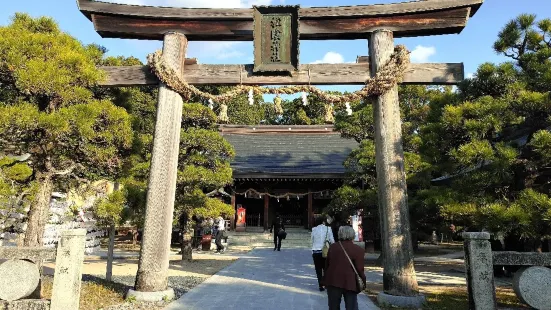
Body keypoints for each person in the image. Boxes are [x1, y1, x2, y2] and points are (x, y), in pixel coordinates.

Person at [324, 226, 366, 310]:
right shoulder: (358, 250)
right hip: (350, 282)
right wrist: (363, 281)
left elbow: (327, 265)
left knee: (333, 306)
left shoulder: (333, 247)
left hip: (333, 281)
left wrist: (324, 279)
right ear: (352, 235)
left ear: (340, 234)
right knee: (351, 307)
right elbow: (360, 269)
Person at [311, 217, 335, 291]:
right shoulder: (328, 229)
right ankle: (326, 283)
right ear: (323, 222)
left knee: (318, 269)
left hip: (316, 251)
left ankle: (320, 285)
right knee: (326, 268)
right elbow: (332, 241)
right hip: (325, 251)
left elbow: (312, 240)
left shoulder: (314, 229)